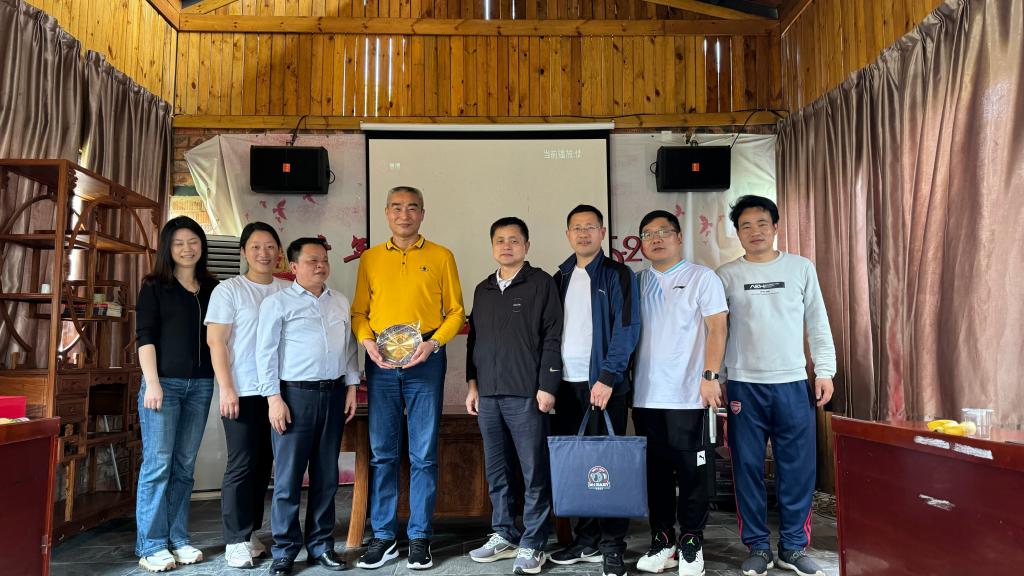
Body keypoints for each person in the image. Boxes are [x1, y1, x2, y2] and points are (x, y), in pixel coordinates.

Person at [716, 196, 835, 576]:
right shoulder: (725, 275)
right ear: (737, 233)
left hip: (792, 384)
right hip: (744, 386)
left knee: (797, 469)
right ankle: (757, 547)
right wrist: (718, 379)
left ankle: (794, 547)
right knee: (747, 468)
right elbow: (717, 333)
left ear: (775, 227)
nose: (755, 231)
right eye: (746, 226)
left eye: (762, 223)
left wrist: (825, 371)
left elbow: (817, 322)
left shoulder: (800, 268)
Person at [351, 186, 466, 571]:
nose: (404, 215)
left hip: (425, 361)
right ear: (387, 213)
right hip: (381, 365)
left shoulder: (441, 256)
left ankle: (420, 537)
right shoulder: (370, 258)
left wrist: (433, 344)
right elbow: (359, 313)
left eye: (412, 208)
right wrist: (367, 342)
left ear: (422, 213)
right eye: (397, 208)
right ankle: (383, 537)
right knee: (383, 453)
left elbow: (456, 312)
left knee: (423, 454)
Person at [255, 237, 360, 576]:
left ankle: (321, 546)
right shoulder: (277, 303)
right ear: (294, 267)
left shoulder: (340, 301)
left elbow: (349, 349)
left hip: (333, 394)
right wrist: (273, 399)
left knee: (326, 476)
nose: (320, 265)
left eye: (324, 260)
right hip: (293, 397)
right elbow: (265, 354)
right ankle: (285, 550)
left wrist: (351, 387)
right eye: (312, 260)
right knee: (288, 478)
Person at [631, 210, 728, 576]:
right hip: (646, 396)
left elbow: (717, 328)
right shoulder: (637, 282)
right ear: (641, 244)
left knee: (692, 473)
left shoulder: (702, 278)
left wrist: (710, 376)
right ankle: (662, 541)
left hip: (689, 395)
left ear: (678, 237)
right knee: (655, 474)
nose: (656, 238)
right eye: (647, 234)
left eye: (663, 232)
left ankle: (691, 542)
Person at [464, 217, 563, 575]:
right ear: (492, 246)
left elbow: (553, 336)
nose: (506, 246)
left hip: (527, 395)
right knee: (498, 471)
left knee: (533, 471)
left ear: (526, 246)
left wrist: (548, 386)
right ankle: (504, 533)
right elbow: (474, 341)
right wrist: (472, 384)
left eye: (514, 240)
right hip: (488, 395)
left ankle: (534, 541)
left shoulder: (541, 284)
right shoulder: (483, 289)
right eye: (500, 240)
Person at [548, 204, 640, 576]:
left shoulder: (618, 274)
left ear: (602, 232)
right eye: (577, 227)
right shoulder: (560, 277)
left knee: (607, 465)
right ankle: (585, 539)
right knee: (578, 465)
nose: (583, 233)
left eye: (590, 226)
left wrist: (607, 376)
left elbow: (627, 327)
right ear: (567, 234)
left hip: (603, 386)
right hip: (566, 386)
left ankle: (612, 545)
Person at [135, 216, 220, 573]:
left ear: (202, 245)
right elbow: (145, 337)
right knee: (158, 465)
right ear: (168, 248)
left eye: (193, 241)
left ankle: (178, 538)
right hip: (163, 385)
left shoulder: (213, 287)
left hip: (200, 385)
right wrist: (152, 382)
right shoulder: (154, 286)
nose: (187, 248)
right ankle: (151, 545)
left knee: (184, 466)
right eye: (179, 243)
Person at [205, 222, 290, 569]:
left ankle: (251, 530)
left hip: (279, 392)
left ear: (279, 252)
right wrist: (226, 388)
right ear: (243, 252)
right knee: (242, 463)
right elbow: (216, 342)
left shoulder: (288, 289)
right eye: (255, 247)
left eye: (270, 246)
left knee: (264, 463)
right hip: (243, 390)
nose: (263, 253)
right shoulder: (229, 290)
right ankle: (235, 539)